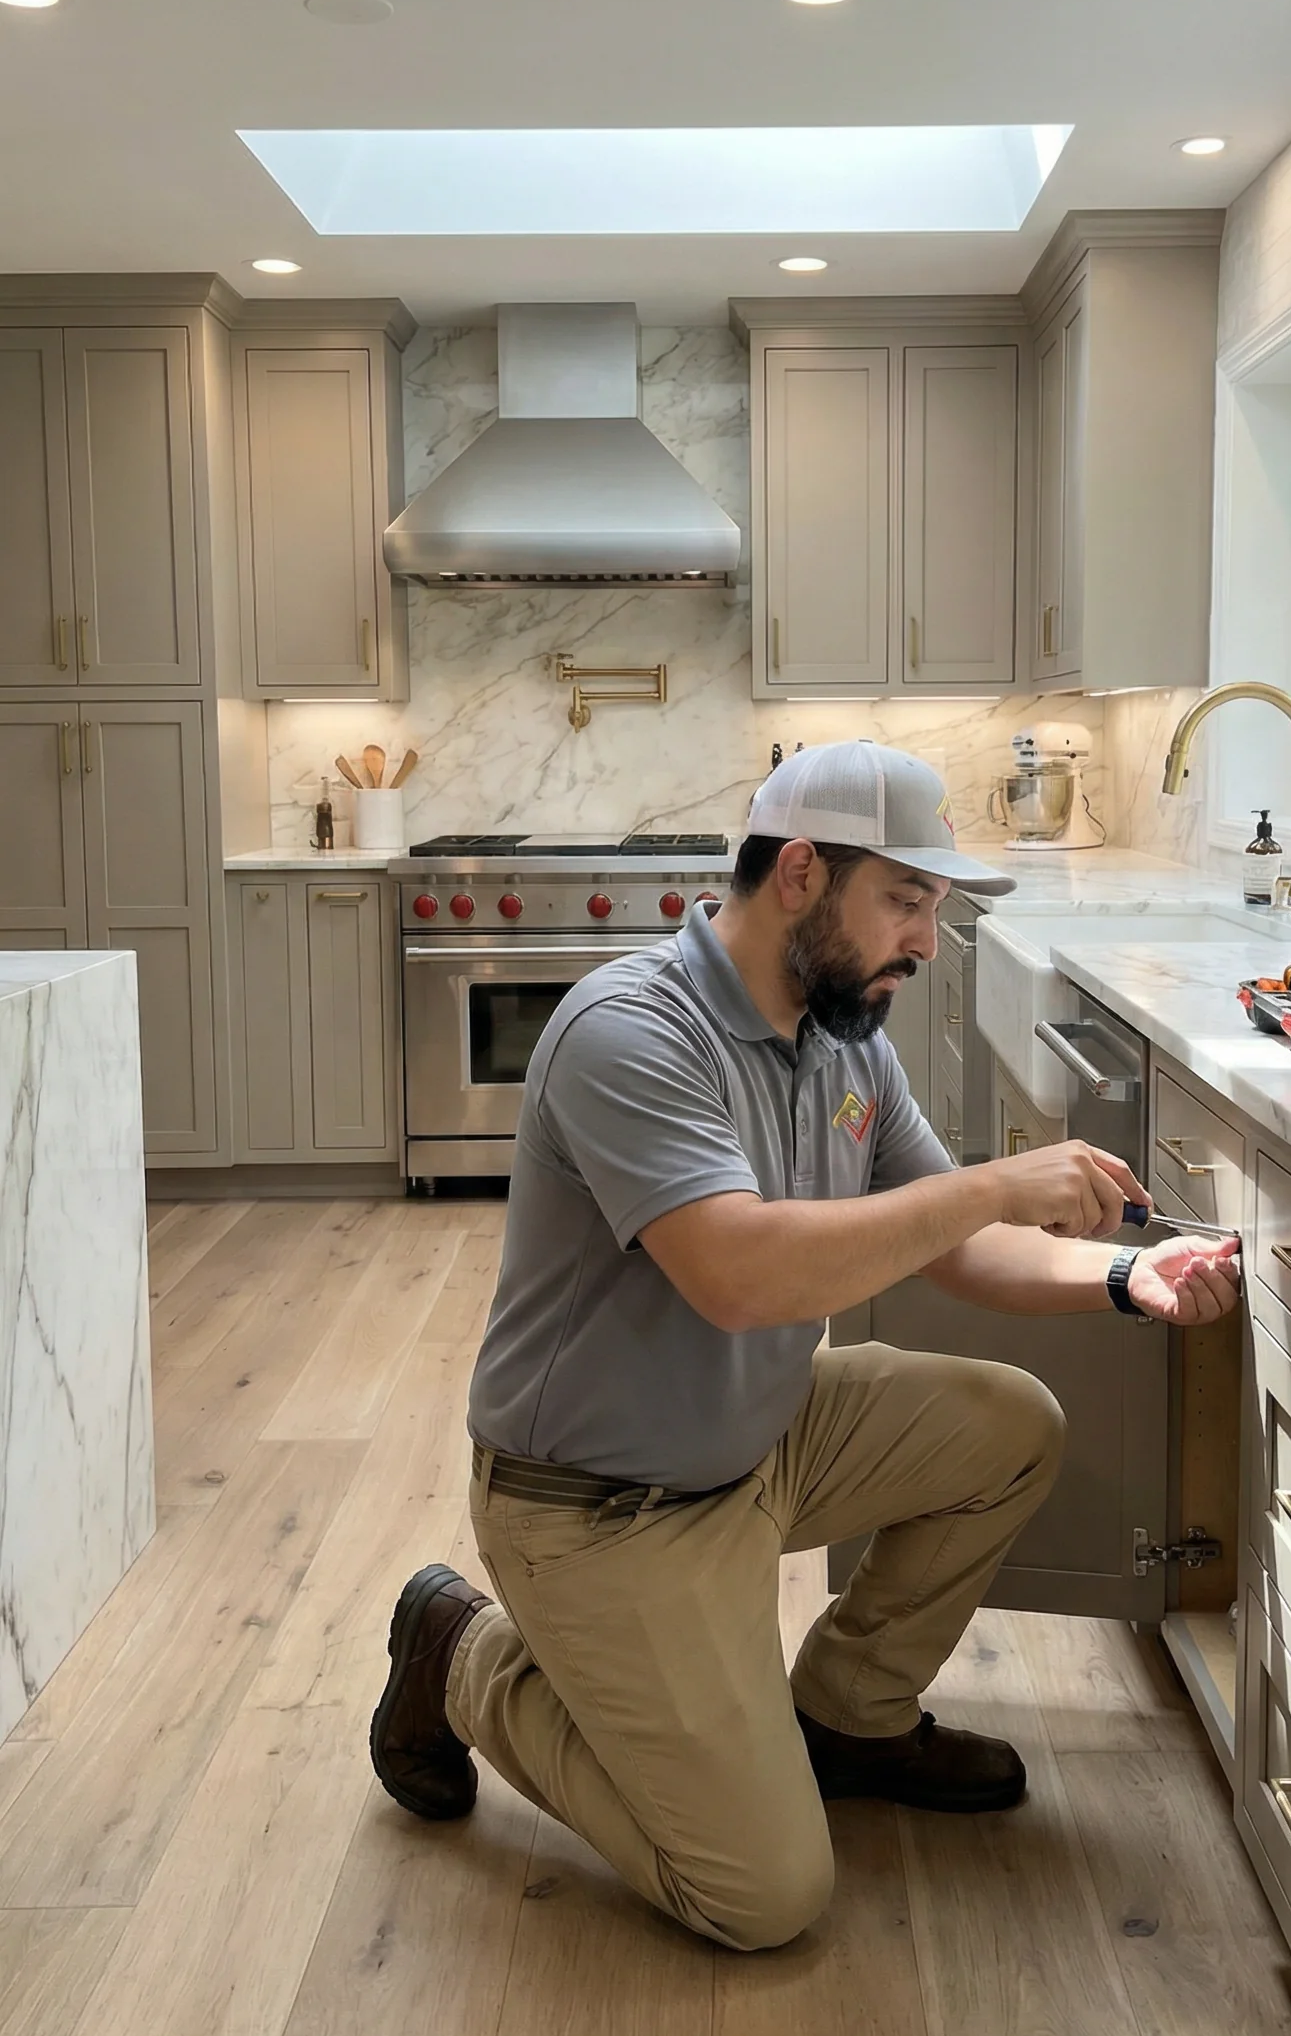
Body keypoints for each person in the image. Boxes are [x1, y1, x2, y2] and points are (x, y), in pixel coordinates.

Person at [370, 740, 1240, 1951]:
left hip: (758, 1440)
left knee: (1012, 1426)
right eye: (906, 900)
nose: (927, 942)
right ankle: (460, 1648)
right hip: (593, 1505)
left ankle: (848, 1717)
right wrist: (995, 1183)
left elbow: (957, 1247)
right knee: (762, 1894)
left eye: (933, 908)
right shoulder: (631, 1032)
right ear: (797, 875)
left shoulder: (847, 1045)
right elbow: (741, 1274)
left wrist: (1126, 1275)